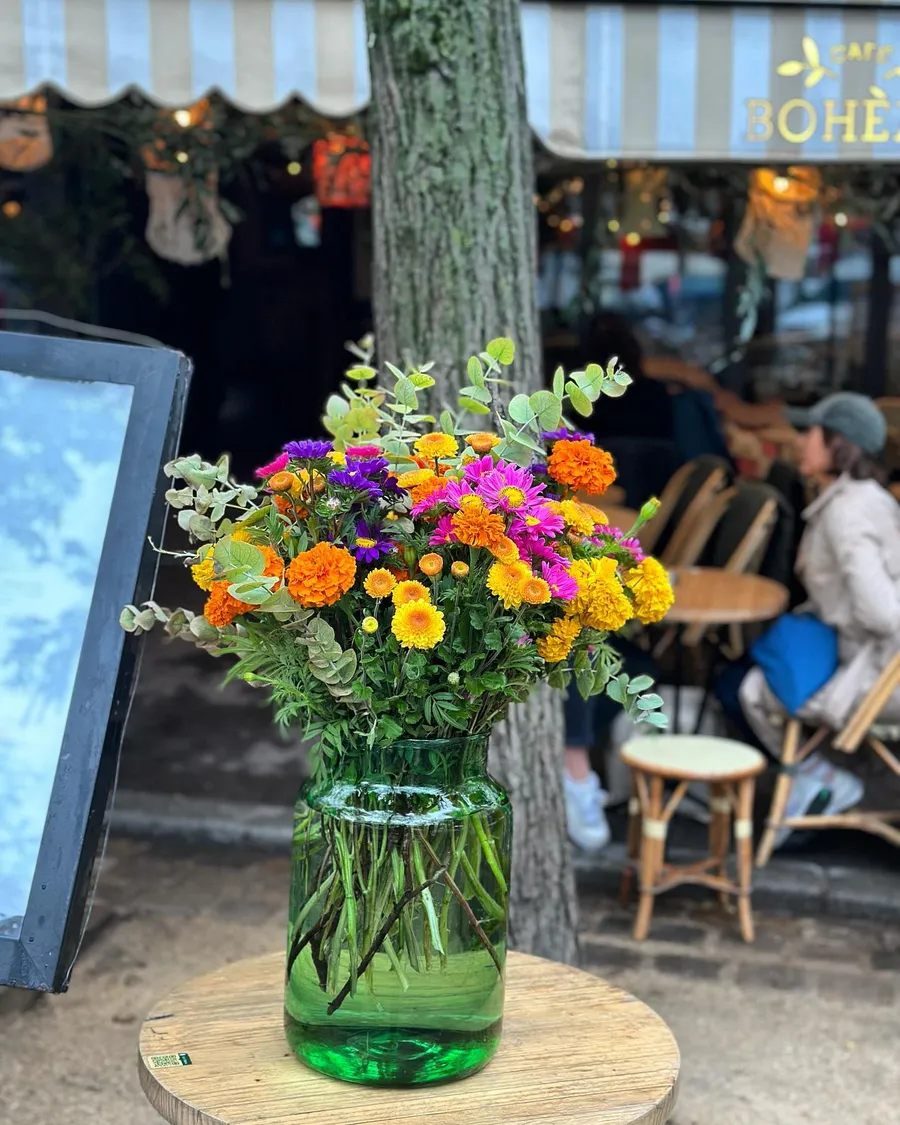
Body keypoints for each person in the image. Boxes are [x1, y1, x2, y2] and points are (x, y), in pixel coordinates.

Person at [738, 392, 900, 847]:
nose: (799, 440)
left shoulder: (847, 512)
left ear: (839, 443)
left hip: (879, 672)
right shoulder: (861, 498)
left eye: (810, 432)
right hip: (867, 657)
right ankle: (822, 778)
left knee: (754, 688)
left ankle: (821, 777)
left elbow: (883, 614)